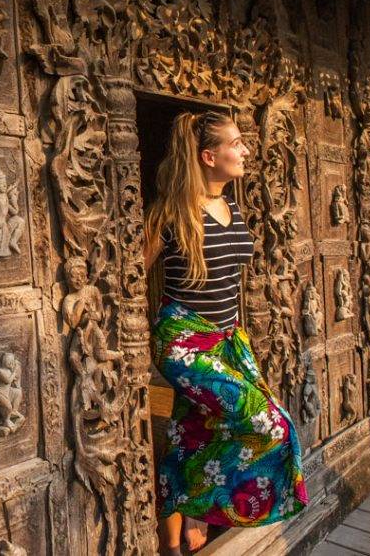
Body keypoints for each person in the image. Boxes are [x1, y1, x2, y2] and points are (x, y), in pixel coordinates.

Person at [142, 111, 308, 555]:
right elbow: (127, 273)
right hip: (184, 340)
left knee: (189, 438)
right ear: (208, 155)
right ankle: (203, 506)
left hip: (228, 340)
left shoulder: (231, 206)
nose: (246, 151)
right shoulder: (172, 212)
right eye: (237, 144)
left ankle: (173, 540)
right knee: (272, 424)